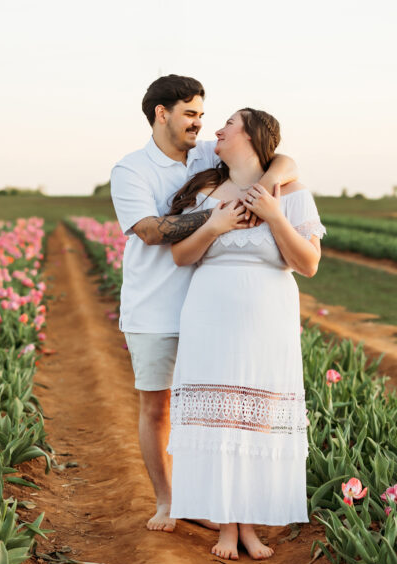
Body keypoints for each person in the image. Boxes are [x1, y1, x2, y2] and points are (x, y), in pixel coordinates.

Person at [110, 76, 299, 532]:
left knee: (211, 412)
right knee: (157, 409)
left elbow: (283, 160)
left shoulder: (207, 156)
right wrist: (216, 216)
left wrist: (263, 187)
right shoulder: (130, 170)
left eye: (202, 114)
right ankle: (168, 500)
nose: (200, 123)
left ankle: (207, 499)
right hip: (154, 307)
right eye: (190, 114)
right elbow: (151, 231)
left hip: (211, 312)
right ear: (162, 114)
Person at [166, 108, 325, 559]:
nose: (217, 130)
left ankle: (249, 525)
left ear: (253, 135)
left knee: (254, 419)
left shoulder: (291, 193)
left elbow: (308, 264)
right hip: (210, 317)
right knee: (219, 421)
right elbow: (181, 256)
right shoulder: (205, 192)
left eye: (229, 124)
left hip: (267, 322)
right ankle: (225, 525)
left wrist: (274, 216)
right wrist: (214, 225)